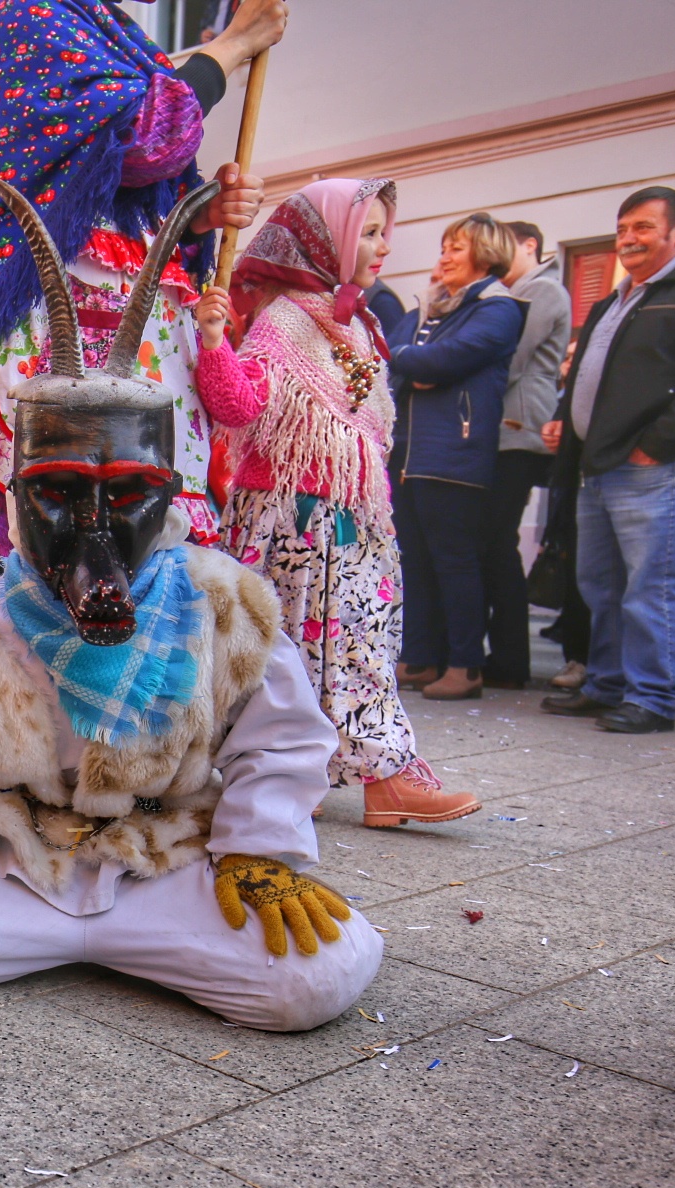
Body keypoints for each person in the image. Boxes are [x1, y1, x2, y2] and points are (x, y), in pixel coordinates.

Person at [0, 187, 381, 1032]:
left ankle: (131, 936)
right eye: (59, 493)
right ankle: (51, 937)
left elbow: (281, 742)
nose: (92, 528)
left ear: (167, 495)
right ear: (18, 497)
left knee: (314, 976)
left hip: (170, 866)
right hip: (19, 862)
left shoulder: (226, 605)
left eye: (126, 495)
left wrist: (257, 851)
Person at [0, 0, 282, 597]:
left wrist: (198, 218)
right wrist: (232, 46)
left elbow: (124, 190)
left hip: (145, 342)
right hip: (57, 327)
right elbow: (141, 139)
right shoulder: (27, 13)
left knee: (155, 551)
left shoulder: (106, 26)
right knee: (49, 542)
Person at [198, 179, 479, 828]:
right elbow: (239, 406)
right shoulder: (286, 319)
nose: (382, 247)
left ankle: (374, 777)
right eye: (369, 233)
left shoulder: (353, 320)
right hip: (295, 521)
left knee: (357, 644)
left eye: (384, 231)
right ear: (329, 240)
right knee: (301, 652)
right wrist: (214, 340)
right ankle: (323, 774)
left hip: (348, 520)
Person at [539, 186, 675, 733]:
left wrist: (659, 443)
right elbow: (590, 371)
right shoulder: (618, 297)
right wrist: (568, 417)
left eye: (642, 227)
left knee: (652, 586)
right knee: (601, 587)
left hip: (652, 466)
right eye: (622, 229)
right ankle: (608, 683)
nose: (628, 239)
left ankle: (653, 697)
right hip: (597, 464)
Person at [385, 214, 526, 702]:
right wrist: (417, 365)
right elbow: (388, 355)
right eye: (444, 246)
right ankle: (420, 656)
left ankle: (466, 665)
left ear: (486, 255)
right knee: (415, 560)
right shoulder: (432, 306)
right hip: (406, 449)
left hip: (455, 452)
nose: (443, 256)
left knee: (455, 562)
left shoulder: (498, 308)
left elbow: (443, 360)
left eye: (457, 248)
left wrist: (423, 364)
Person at [482, 222, 572, 687]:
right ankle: (500, 654)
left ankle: (511, 658)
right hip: (500, 430)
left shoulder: (545, 291)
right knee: (491, 542)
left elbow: (510, 357)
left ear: (530, 246)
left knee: (498, 541)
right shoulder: (512, 291)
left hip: (520, 428)